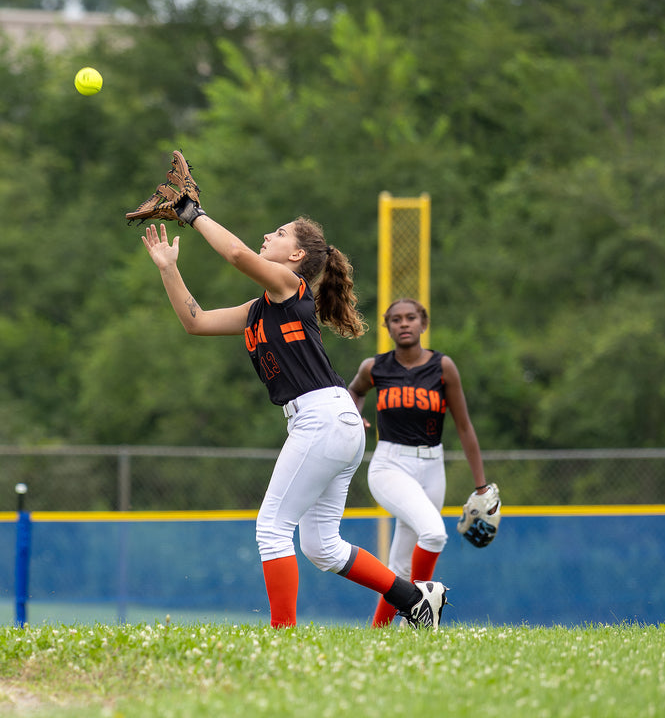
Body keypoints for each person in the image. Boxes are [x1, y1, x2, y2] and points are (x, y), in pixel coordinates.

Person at [135, 151, 448, 628]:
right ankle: (416, 599)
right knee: (323, 547)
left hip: (322, 418)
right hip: (332, 421)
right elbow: (196, 322)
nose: (267, 236)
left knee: (271, 529)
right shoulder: (261, 307)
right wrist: (167, 268)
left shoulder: (289, 286)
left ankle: (283, 635)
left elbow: (237, 254)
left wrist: (193, 214)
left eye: (279, 233)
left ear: (297, 257)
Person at [347, 298, 492, 627]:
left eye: (411, 317)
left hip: (432, 467)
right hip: (390, 465)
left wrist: (481, 486)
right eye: (396, 319)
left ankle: (379, 631)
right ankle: (419, 614)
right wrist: (354, 415)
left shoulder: (442, 367)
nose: (404, 323)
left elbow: (464, 426)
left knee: (401, 564)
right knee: (434, 534)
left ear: (423, 323)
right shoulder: (375, 367)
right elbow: (354, 392)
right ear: (387, 327)